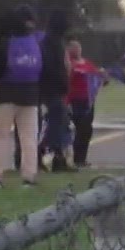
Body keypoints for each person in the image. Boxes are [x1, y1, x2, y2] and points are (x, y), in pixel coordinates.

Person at [0, 7, 53, 188]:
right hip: (30, 95)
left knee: (0, 136)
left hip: (5, 94)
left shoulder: (5, 42)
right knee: (29, 138)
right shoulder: (36, 42)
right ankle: (29, 176)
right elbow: (45, 68)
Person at [36, 10, 74, 173]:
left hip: (54, 88)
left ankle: (57, 157)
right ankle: (48, 153)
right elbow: (52, 67)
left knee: (59, 124)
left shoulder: (54, 42)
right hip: (52, 89)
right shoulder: (51, 44)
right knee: (56, 124)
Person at [65, 39, 106, 168]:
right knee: (80, 128)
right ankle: (75, 158)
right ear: (69, 50)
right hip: (75, 100)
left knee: (87, 129)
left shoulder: (87, 63)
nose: (77, 50)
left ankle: (82, 158)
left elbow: (96, 77)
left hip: (88, 100)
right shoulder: (69, 64)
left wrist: (102, 75)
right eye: (74, 48)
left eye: (79, 47)